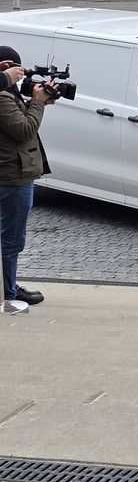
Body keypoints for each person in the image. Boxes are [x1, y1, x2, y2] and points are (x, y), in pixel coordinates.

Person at [0, 45, 54, 308]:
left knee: (10, 237)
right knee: (11, 238)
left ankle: (8, 285)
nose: (20, 77)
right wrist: (38, 103)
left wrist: (38, 98)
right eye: (16, 70)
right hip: (13, 177)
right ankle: (8, 292)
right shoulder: (1, 96)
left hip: (15, 174)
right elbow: (24, 129)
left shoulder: (7, 93)